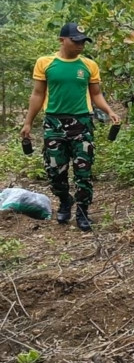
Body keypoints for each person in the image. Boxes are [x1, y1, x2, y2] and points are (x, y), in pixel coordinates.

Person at [20, 23, 121, 231]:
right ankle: (65, 200)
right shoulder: (45, 63)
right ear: (62, 40)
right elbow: (38, 94)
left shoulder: (88, 65)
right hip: (54, 122)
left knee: (83, 170)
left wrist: (109, 111)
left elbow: (95, 93)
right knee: (55, 170)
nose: (80, 45)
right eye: (75, 41)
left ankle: (83, 211)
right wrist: (28, 122)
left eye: (83, 41)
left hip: (82, 122)